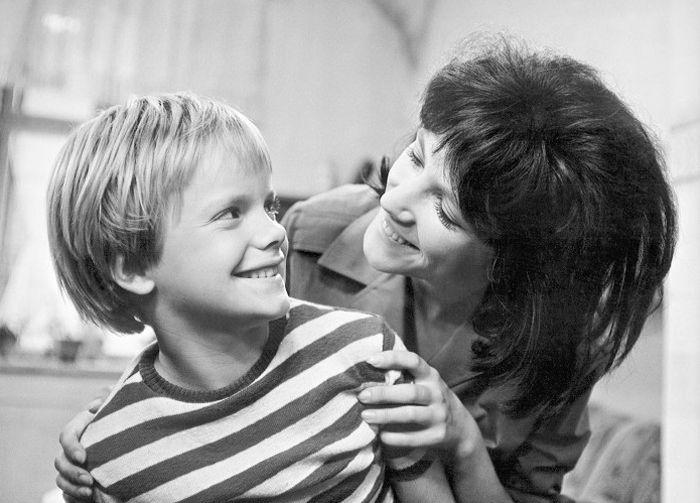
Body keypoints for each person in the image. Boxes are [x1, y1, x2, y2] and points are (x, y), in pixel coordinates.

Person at [55, 38, 676, 503]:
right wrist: (122, 431)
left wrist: (459, 443)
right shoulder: (310, 235)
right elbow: (202, 344)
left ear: (517, 254)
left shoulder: (563, 343)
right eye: (415, 155)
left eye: (445, 209)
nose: (395, 198)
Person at [46, 92, 454, 503]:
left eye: (269, 207)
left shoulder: (365, 353)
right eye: (230, 213)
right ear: (132, 268)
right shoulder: (108, 457)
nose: (276, 232)